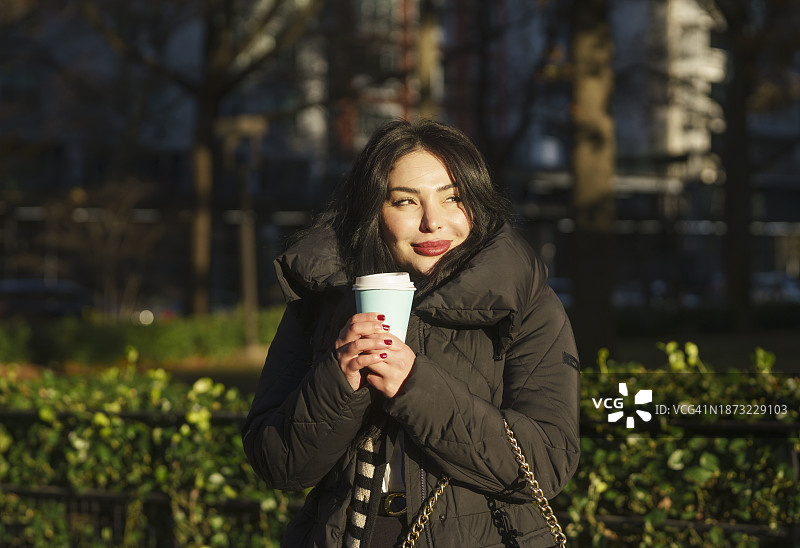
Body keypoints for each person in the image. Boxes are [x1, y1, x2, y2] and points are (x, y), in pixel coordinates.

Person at [242, 119, 579, 547]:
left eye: (453, 198)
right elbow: (278, 464)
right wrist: (339, 379)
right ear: (374, 211)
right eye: (405, 202)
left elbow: (546, 463)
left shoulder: (524, 302)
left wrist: (414, 387)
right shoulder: (325, 299)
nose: (433, 223)